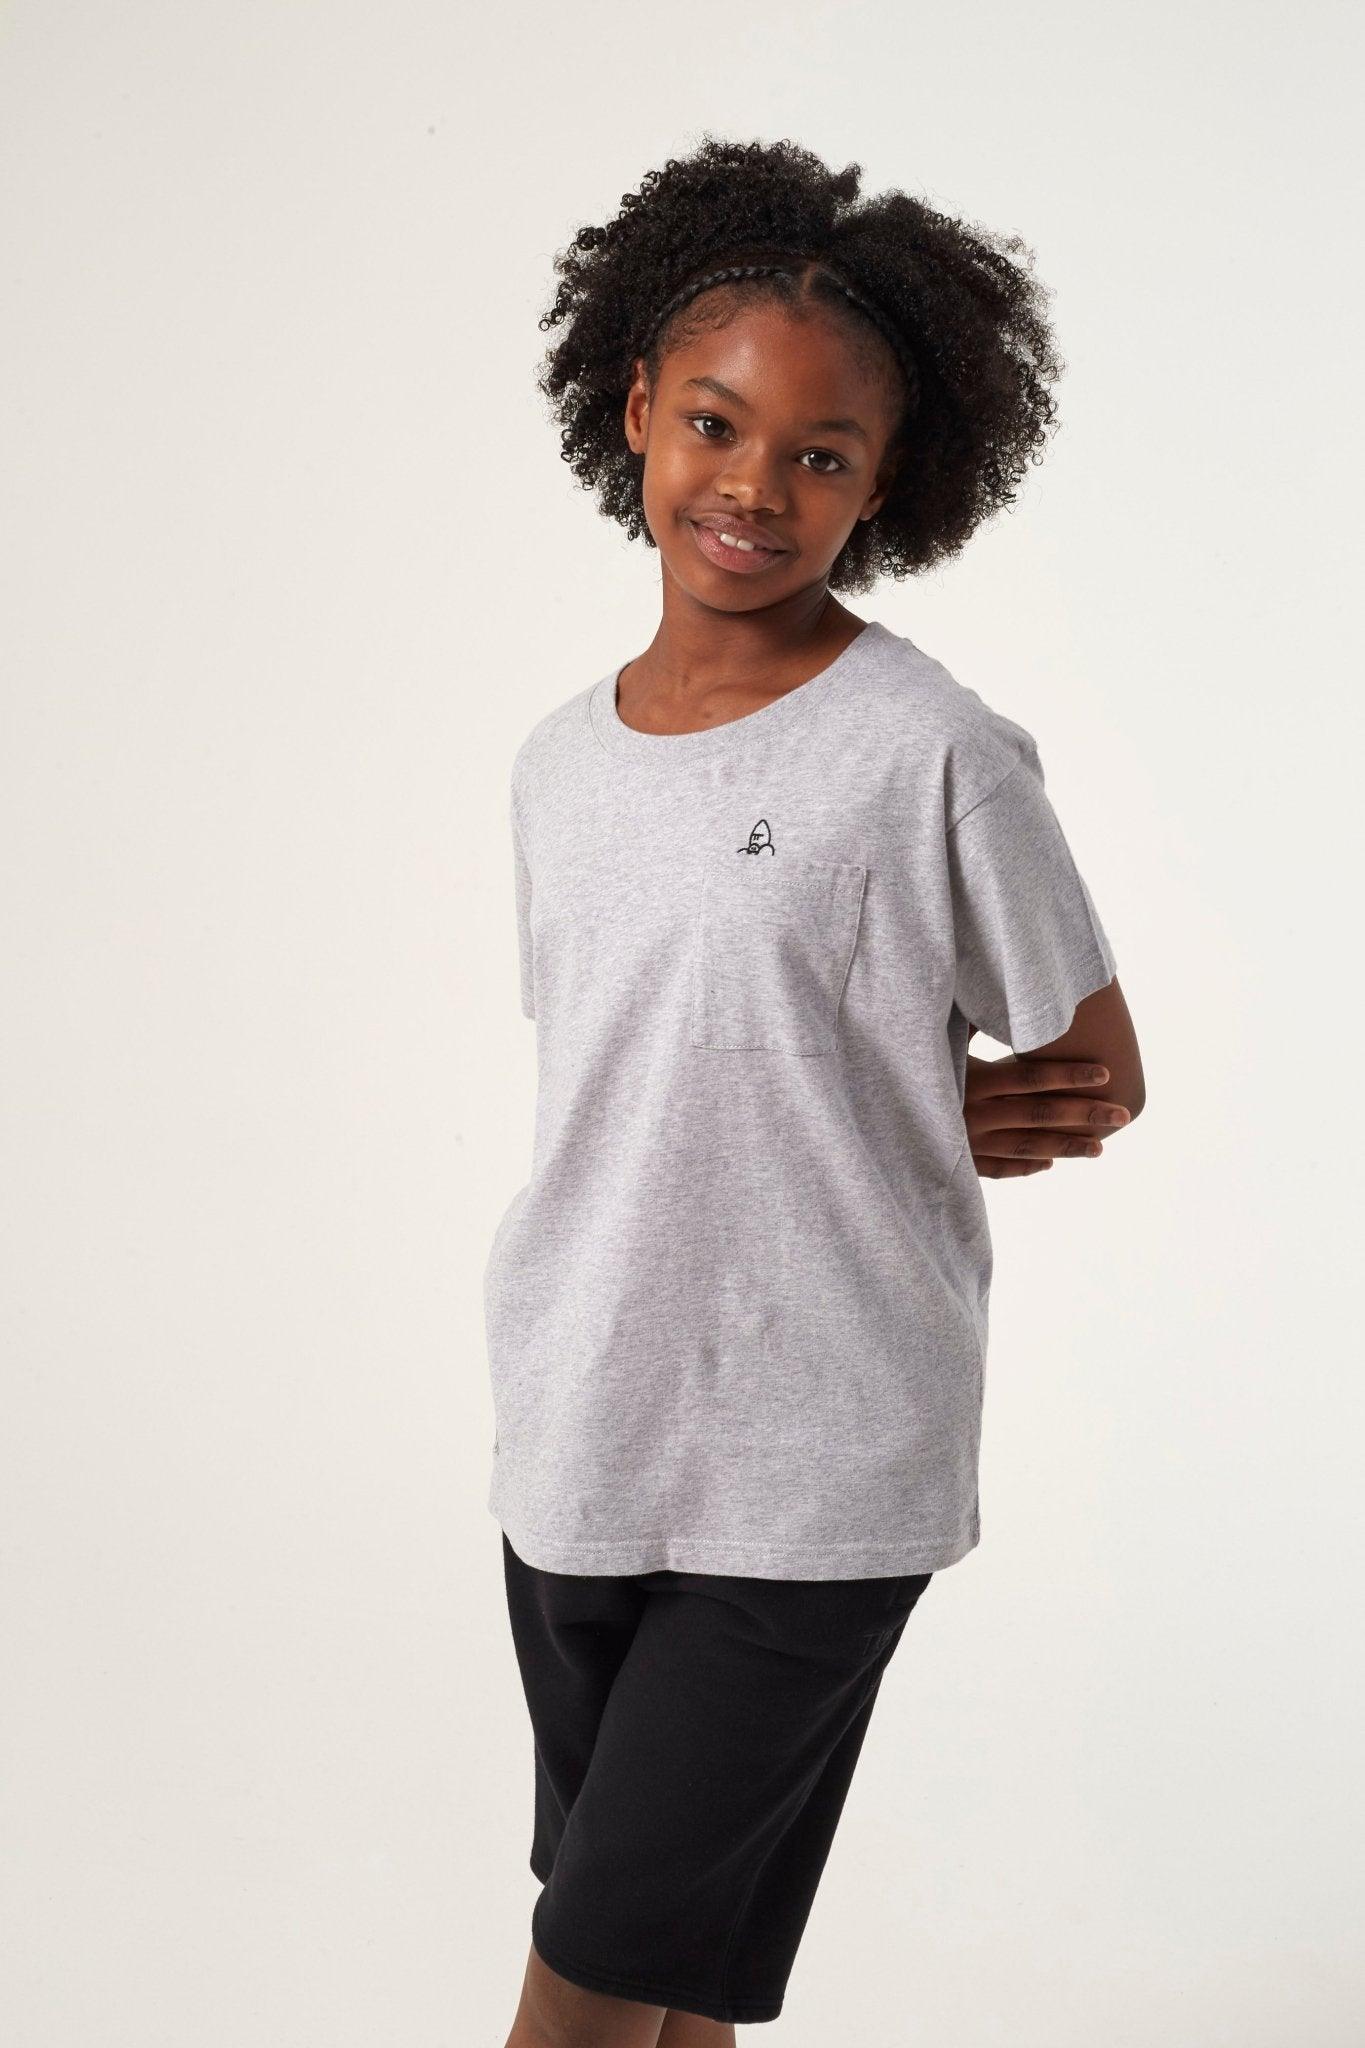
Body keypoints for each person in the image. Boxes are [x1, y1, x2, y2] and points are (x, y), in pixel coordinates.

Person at [484, 135, 1146, 2048]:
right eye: (715, 424)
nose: (754, 488)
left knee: (582, 1998)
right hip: (576, 1429)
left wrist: (896, 1123)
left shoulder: (929, 751)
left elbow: (1092, 1064)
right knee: (664, 1990)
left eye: (821, 456)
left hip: (816, 1467)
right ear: (636, 410)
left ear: (886, 484)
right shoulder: (554, 764)